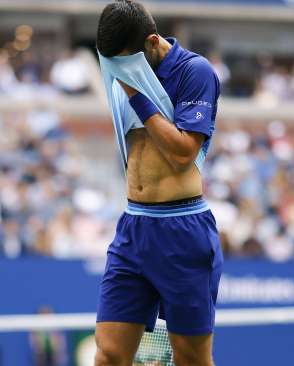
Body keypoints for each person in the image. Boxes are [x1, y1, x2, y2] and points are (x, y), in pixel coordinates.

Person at [94, 1, 223, 365]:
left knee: (191, 359)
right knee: (108, 355)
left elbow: (183, 153)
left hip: (182, 230)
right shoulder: (123, 73)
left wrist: (136, 93)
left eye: (126, 62)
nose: (119, 71)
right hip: (133, 227)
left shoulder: (195, 72)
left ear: (152, 42)